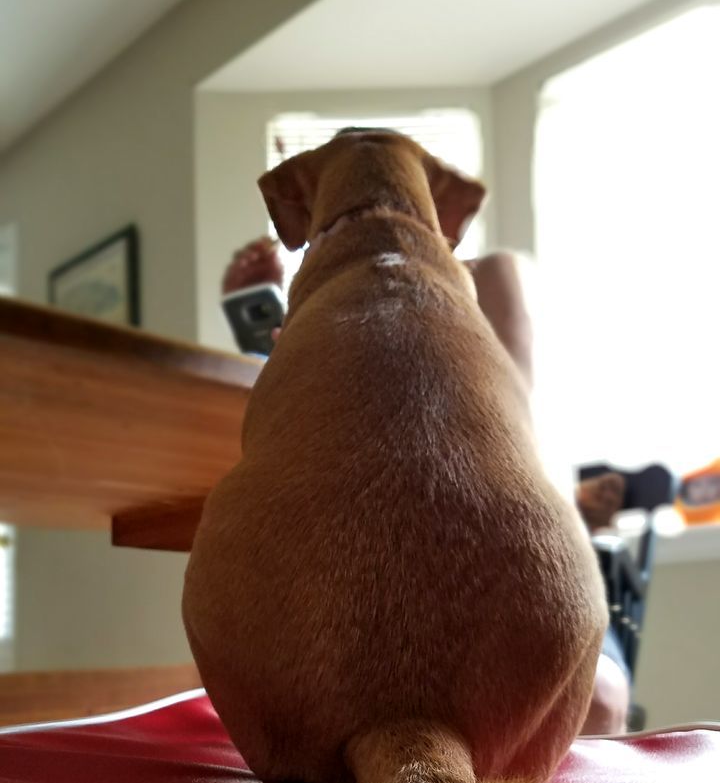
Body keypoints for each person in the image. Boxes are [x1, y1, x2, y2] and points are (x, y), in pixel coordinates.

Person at [221, 236, 631, 736]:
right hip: (388, 559)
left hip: (514, 545)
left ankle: (284, 347)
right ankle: (280, 349)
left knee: (595, 704)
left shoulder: (489, 278)